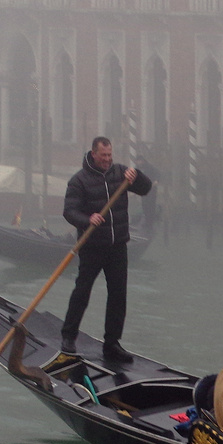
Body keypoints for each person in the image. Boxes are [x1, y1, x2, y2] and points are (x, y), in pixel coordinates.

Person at [59, 136, 153, 364]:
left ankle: (112, 344)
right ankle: (68, 336)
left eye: (110, 155)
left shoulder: (120, 173)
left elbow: (146, 188)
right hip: (92, 246)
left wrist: (137, 177)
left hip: (117, 245)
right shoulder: (78, 181)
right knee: (82, 291)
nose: (107, 160)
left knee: (118, 295)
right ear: (93, 154)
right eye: (104, 156)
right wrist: (87, 218)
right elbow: (69, 211)